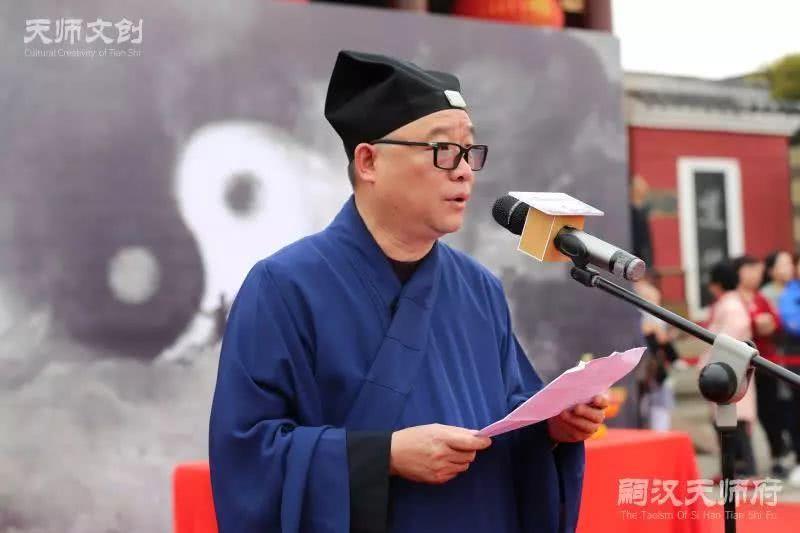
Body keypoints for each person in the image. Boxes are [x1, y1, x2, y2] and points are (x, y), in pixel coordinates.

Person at [208, 50, 606, 533]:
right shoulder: (284, 287)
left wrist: (553, 429)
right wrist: (385, 456)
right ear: (369, 161)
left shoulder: (479, 289)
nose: (464, 171)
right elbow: (249, 457)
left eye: (469, 152)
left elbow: (512, 421)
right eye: (443, 150)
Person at [704, 257, 759, 478]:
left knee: (735, 426)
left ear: (717, 284)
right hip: (728, 372)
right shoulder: (731, 303)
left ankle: (742, 471)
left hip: (729, 372)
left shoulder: (730, 305)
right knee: (730, 425)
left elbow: (728, 339)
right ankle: (733, 470)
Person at [758, 251, 794, 477]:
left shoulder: (795, 290)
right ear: (770, 270)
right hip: (773, 362)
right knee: (774, 410)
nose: (788, 267)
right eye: (783, 264)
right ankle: (779, 453)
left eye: (790, 263)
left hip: (792, 358)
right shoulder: (766, 294)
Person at [633, 271, 679, 431]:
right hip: (645, 368)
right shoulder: (643, 319)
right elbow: (661, 338)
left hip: (655, 370)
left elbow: (663, 339)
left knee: (658, 408)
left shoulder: (653, 318)